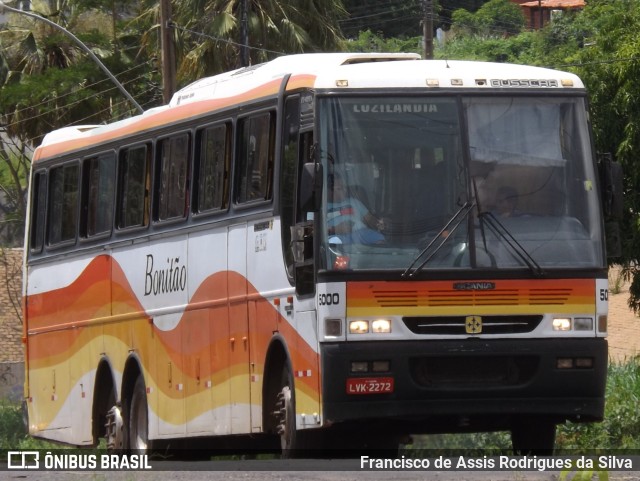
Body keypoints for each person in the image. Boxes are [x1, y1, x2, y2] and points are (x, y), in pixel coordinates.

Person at [327, 174, 385, 245]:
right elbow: (311, 230)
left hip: (361, 234)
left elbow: (370, 219)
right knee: (332, 243)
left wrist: (379, 223)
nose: (345, 190)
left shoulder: (354, 202)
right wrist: (335, 229)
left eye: (345, 187)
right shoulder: (321, 206)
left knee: (380, 239)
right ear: (329, 191)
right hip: (337, 236)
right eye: (340, 188)